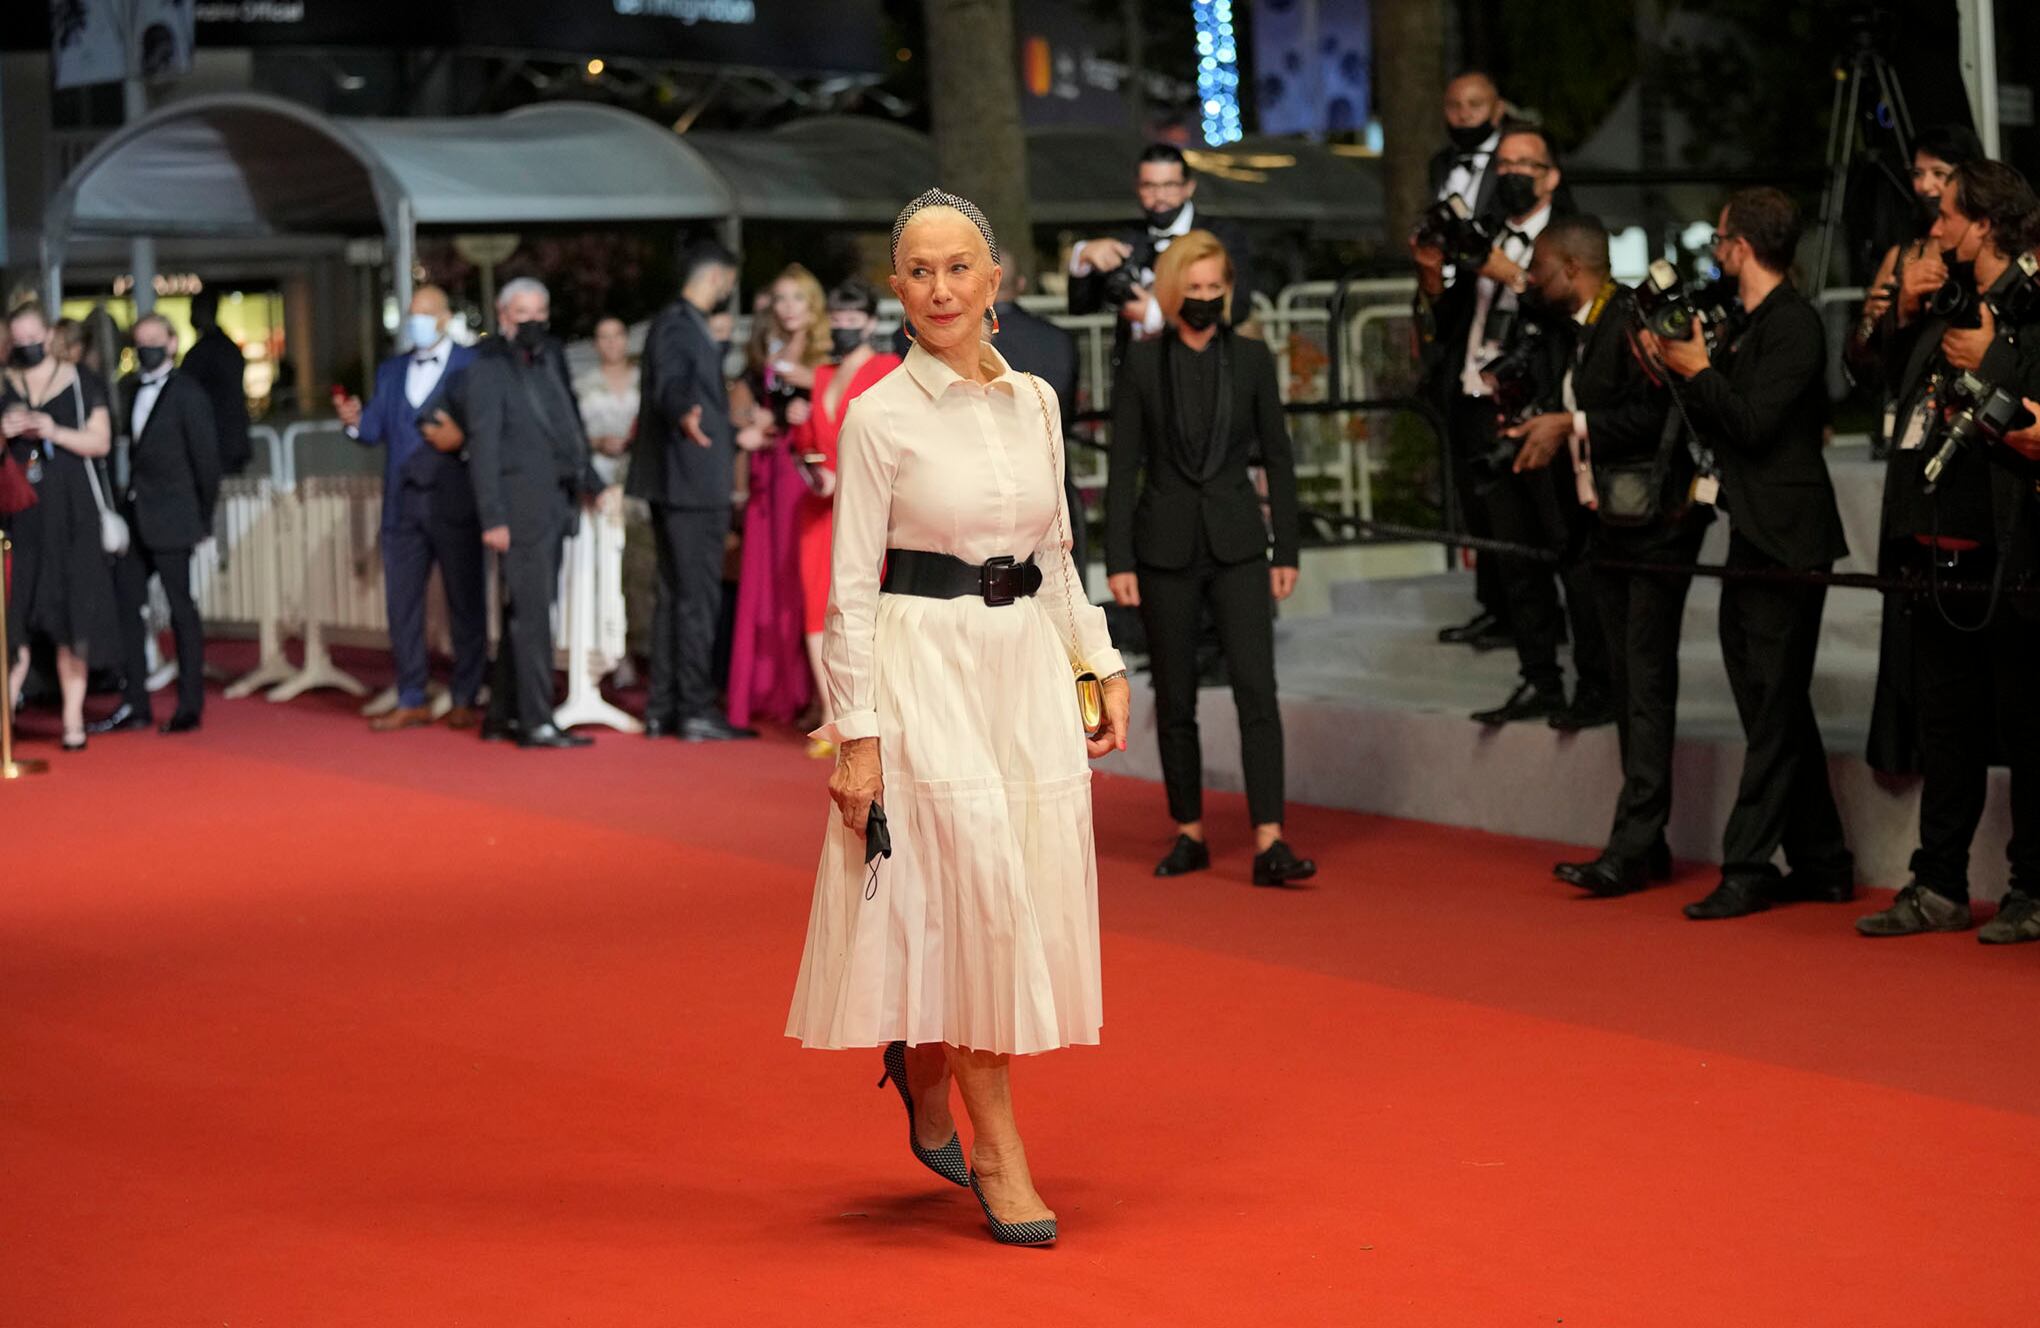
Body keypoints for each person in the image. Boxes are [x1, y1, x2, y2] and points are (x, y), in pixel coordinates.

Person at [787, 189, 1132, 1249]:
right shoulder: (882, 415)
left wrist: (1100, 658)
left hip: (1024, 667)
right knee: (974, 892)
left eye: (959, 266)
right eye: (920, 270)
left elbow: (1059, 549)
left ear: (996, 281)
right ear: (899, 290)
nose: (941, 286)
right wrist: (860, 736)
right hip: (923, 663)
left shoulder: (1034, 400)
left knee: (1007, 891)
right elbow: (848, 589)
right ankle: (997, 1152)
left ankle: (924, 1063)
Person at [1643, 187, 1855, 921]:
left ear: (1740, 245)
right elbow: (1719, 418)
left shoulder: (1793, 324)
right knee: (1775, 701)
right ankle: (1824, 861)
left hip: (1789, 537)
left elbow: (1757, 424)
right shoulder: (1751, 321)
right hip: (1755, 533)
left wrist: (1699, 370)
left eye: (1721, 239)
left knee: (1770, 710)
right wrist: (1676, 367)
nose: (1715, 251)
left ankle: (1747, 863)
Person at [1854, 160, 2040, 943]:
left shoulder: (2031, 314)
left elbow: (2028, 422)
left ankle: (2032, 891)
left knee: (2030, 730)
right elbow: (1867, 376)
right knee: (1945, 729)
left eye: (1949, 215)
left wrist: (1990, 359)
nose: (1934, 228)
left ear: (1986, 223)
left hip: (2015, 559)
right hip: (1933, 551)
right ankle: (1938, 885)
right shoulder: (1942, 301)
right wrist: (1899, 310)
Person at [1104, 229, 1315, 887]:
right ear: (1170, 292)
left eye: (1213, 288)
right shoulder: (1140, 363)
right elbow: (1122, 468)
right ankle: (1189, 830)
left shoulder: (1252, 359)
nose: (1202, 299)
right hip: (1163, 548)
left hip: (1239, 546)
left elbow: (1276, 457)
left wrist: (1288, 546)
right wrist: (1117, 559)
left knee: (1258, 689)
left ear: (1228, 289)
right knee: (1174, 698)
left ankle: (1270, 839)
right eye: (1190, 289)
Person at [1505, 216, 1707, 894]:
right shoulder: (1584, 328)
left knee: (1645, 685)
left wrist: (1574, 425)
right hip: (1611, 529)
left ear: (1570, 266)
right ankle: (1644, 842)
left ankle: (1634, 842)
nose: (1529, 281)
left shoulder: (1629, 320)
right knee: (1628, 685)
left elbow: (1661, 417)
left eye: (1536, 268)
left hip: (1656, 527)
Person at [1425, 124, 1607, 726]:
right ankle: (1539, 678)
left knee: (1568, 556)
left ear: (1552, 175)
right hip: (1482, 408)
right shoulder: (1488, 236)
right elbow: (1452, 317)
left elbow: (1573, 314)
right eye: (1501, 166)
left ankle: (1596, 685)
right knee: (1513, 558)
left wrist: (1516, 277)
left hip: (1546, 417)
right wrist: (1435, 271)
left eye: (1524, 164)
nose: (1509, 176)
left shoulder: (1568, 235)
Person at [335, 284, 486, 732]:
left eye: (424, 314)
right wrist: (353, 423)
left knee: (466, 602)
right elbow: (373, 431)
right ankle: (412, 694)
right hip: (402, 505)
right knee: (402, 605)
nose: (415, 322)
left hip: (455, 500)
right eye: (411, 314)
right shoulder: (391, 370)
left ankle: (465, 693)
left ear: (443, 318)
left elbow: (488, 427)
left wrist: (463, 442)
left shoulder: (472, 364)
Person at [465, 278, 603, 749]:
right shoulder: (486, 368)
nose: (534, 321)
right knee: (532, 615)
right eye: (523, 312)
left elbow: (567, 421)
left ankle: (502, 715)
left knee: (524, 611)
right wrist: (492, 517)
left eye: (541, 311)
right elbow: (481, 448)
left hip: (553, 503)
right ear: (503, 315)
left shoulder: (552, 356)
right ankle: (536, 721)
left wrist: (588, 476)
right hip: (517, 510)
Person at [629, 240, 755, 742]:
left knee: (675, 597)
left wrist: (728, 428)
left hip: (678, 477)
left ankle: (666, 707)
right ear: (717, 278)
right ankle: (695, 708)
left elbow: (679, 385)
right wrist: (688, 414)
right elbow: (674, 385)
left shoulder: (674, 325)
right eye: (727, 283)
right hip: (692, 480)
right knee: (695, 598)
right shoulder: (681, 326)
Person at [789, 277, 900, 759]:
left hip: (867, 507)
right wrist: (805, 446)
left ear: (872, 322)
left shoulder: (886, 368)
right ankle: (832, 713)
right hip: (818, 508)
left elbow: (892, 435)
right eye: (837, 321)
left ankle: (871, 711)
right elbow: (808, 444)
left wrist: (844, 474)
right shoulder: (818, 375)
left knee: (865, 605)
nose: (844, 328)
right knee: (818, 607)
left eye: (853, 320)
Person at [1, 301, 120, 750]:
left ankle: (73, 719)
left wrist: (51, 430)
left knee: (74, 621)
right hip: (19, 516)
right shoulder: (4, 384)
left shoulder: (81, 382)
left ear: (49, 335)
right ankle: (5, 722)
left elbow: (101, 441)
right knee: (13, 620)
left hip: (73, 517)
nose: (28, 344)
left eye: (35, 336)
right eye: (20, 339)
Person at [728, 264, 827, 731]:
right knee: (769, 579)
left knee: (803, 580)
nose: (789, 308)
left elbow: (839, 400)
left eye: (798, 299)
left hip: (805, 474)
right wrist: (753, 419)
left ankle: (814, 695)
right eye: (782, 299)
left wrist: (808, 389)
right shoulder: (767, 352)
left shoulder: (825, 350)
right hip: (771, 469)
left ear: (813, 306)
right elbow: (748, 402)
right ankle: (778, 689)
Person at [1067, 143, 1258, 374]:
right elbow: (1080, 307)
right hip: (1135, 372)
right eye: (1149, 186)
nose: (1159, 197)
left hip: (1203, 371)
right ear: (1137, 188)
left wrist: (1157, 316)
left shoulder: (1222, 236)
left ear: (1189, 187)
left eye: (1169, 186)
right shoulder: (1127, 239)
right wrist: (1082, 256)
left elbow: (1237, 307)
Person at [991, 261, 1090, 574]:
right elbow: (1069, 416)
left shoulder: (958, 345)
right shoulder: (1057, 339)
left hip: (986, 490)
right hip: (1052, 480)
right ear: (1020, 284)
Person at [180, 287, 252, 476]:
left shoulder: (201, 354)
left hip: (213, 443)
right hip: (231, 441)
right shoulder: (229, 348)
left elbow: (186, 394)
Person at [1429, 71, 1509, 224]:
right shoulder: (1439, 163)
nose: (1464, 115)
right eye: (1454, 106)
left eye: (1475, 104)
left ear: (1498, 109)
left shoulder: (1512, 161)